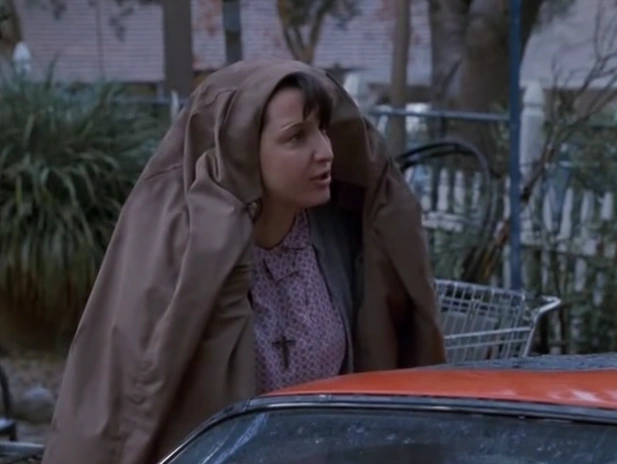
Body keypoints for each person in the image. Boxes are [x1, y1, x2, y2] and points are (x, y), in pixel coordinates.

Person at [41, 59, 446, 464]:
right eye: (296, 137)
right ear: (242, 149)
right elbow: (132, 399)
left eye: (323, 130)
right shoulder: (182, 254)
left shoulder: (339, 237)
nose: (325, 152)